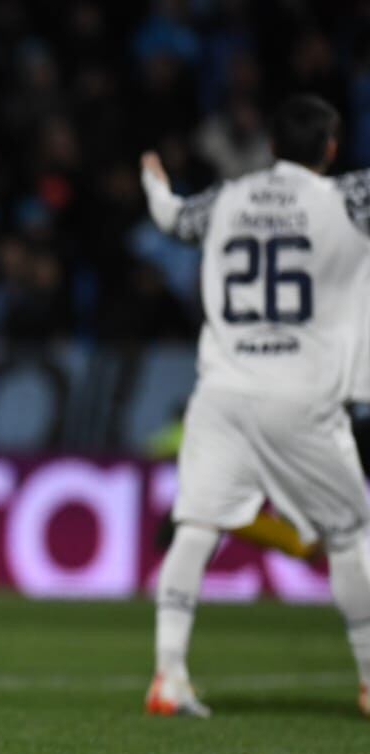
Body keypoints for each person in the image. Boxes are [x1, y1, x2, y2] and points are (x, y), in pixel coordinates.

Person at [139, 94, 370, 718]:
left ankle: (168, 675)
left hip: (222, 391)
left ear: (270, 147)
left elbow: (172, 219)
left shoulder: (226, 199)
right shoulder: (350, 198)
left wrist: (153, 183)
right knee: (350, 535)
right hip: (303, 391)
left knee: (196, 525)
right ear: (329, 147)